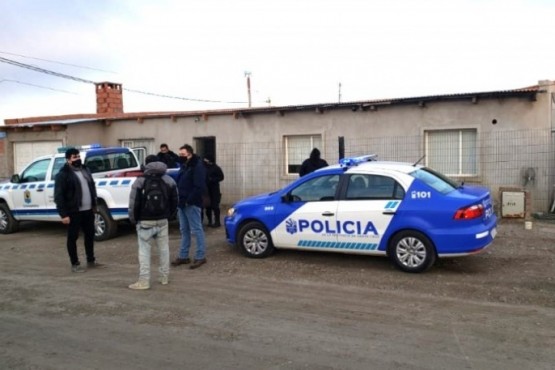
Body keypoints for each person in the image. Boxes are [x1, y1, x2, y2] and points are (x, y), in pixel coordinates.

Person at [128, 155, 178, 290]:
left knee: (144, 251)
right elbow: (175, 201)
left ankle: (144, 281)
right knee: (164, 250)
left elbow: (134, 203)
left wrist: (133, 219)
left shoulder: (140, 181)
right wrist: (170, 216)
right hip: (163, 220)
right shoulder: (169, 180)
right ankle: (164, 277)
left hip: (145, 222)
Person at [54, 148, 102, 273]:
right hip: (73, 211)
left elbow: (92, 187)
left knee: (90, 235)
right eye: (74, 157)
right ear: (68, 160)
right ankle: (75, 263)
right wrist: (63, 214)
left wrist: (94, 204)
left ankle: (91, 260)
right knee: (72, 237)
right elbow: (59, 196)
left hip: (88, 210)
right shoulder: (63, 175)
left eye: (78, 156)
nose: (78, 159)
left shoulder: (85, 170)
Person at [172, 144, 208, 269]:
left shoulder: (197, 166)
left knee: (197, 230)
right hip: (182, 203)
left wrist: (189, 200)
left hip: (191, 203)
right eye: (180, 154)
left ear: (190, 154)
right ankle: (183, 256)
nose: (180, 156)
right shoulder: (184, 166)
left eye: (183, 154)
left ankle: (200, 256)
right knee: (184, 230)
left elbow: (199, 186)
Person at [203, 154, 225, 227]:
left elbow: (221, 177)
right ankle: (210, 221)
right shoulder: (204, 167)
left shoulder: (216, 168)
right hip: (206, 189)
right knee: (208, 207)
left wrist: (212, 179)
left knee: (215, 206)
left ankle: (217, 221)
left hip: (214, 189)